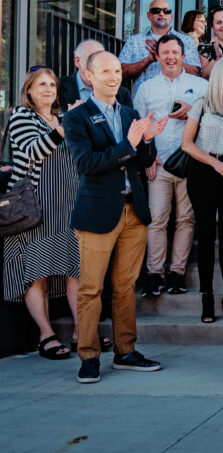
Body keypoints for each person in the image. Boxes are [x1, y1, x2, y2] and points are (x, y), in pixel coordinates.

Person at [63, 51, 168, 384]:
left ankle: (126, 351)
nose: (113, 77)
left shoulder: (129, 113)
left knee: (125, 287)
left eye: (117, 71)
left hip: (133, 211)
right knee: (91, 289)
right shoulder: (76, 117)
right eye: (105, 71)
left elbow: (144, 161)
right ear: (89, 76)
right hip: (97, 212)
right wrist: (129, 143)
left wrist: (147, 140)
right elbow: (86, 164)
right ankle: (89, 356)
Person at [3, 68, 81, 360]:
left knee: (76, 270)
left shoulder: (62, 118)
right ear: (29, 90)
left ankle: (82, 332)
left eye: (52, 85)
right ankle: (46, 336)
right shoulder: (22, 116)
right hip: (35, 209)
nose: (49, 89)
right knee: (37, 274)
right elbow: (34, 151)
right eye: (41, 85)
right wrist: (62, 129)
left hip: (68, 207)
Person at [134, 35, 209, 296]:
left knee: (186, 219)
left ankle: (177, 272)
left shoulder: (200, 86)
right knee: (157, 219)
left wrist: (192, 111)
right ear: (157, 57)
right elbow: (139, 126)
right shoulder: (146, 89)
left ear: (183, 55)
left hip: (191, 164)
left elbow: (213, 121)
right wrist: (148, 156)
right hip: (160, 164)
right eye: (165, 52)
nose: (170, 57)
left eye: (175, 52)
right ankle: (155, 273)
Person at [180, 57, 223, 323]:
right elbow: (187, 144)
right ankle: (206, 296)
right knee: (206, 234)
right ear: (219, 78)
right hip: (204, 170)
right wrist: (214, 163)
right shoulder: (203, 104)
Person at [119, 0, 202, 93]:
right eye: (156, 10)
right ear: (148, 15)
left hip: (178, 99)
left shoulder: (186, 41)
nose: (161, 14)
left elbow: (195, 72)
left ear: (171, 16)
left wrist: (168, 59)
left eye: (166, 11)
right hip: (144, 99)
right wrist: (148, 60)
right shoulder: (134, 41)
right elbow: (120, 72)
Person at [58, 40, 133, 111]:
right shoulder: (57, 87)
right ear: (77, 61)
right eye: (92, 59)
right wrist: (69, 117)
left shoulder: (122, 94)